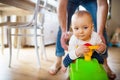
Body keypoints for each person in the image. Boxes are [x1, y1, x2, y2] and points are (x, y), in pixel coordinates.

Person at [48, 0, 116, 79]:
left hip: (92, 55)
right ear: (72, 29)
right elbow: (71, 54)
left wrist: (102, 48)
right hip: (77, 55)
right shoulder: (73, 39)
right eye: (76, 28)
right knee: (68, 57)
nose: (81, 31)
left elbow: (102, 5)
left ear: (92, 27)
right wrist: (77, 51)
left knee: (100, 57)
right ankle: (60, 62)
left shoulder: (95, 36)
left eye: (85, 27)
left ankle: (104, 64)